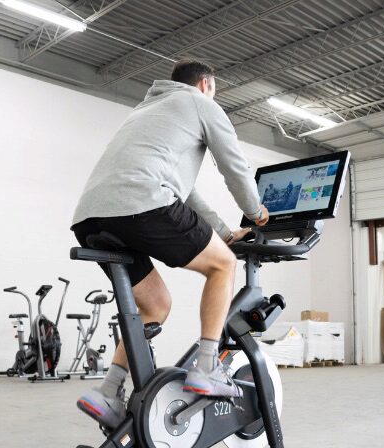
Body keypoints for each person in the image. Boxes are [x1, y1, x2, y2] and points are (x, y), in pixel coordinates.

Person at [70, 59, 269, 429]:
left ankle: (108, 390)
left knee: (155, 304)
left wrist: (225, 232)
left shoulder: (148, 111)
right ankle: (208, 367)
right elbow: (235, 167)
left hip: (92, 216)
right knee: (224, 265)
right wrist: (255, 212)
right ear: (206, 84)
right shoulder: (201, 103)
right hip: (144, 203)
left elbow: (186, 191)